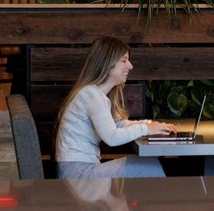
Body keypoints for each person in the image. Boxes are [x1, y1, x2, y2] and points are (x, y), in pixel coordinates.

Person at [55, 36, 177, 179]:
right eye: (124, 60)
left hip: (79, 170)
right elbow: (112, 137)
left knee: (148, 165)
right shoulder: (91, 95)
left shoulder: (94, 94)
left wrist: (151, 124)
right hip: (77, 174)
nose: (130, 66)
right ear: (107, 63)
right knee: (150, 166)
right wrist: (146, 129)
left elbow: (118, 125)